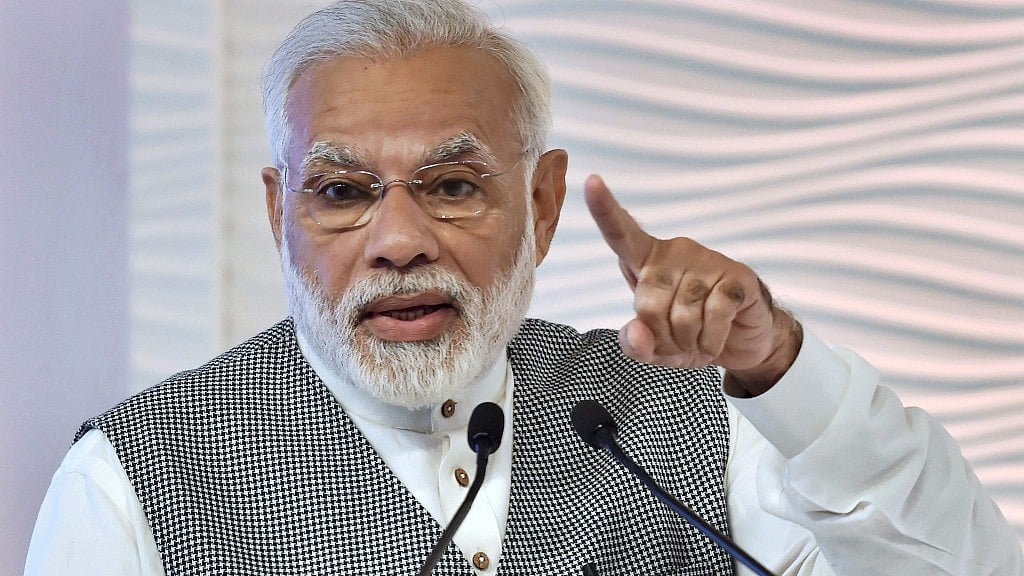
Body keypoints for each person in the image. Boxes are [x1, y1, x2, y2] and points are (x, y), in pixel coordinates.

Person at [25, 1, 1022, 574]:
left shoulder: (694, 422)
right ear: (280, 210)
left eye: (453, 186)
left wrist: (777, 370)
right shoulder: (133, 484)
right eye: (341, 193)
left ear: (543, 205)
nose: (399, 241)